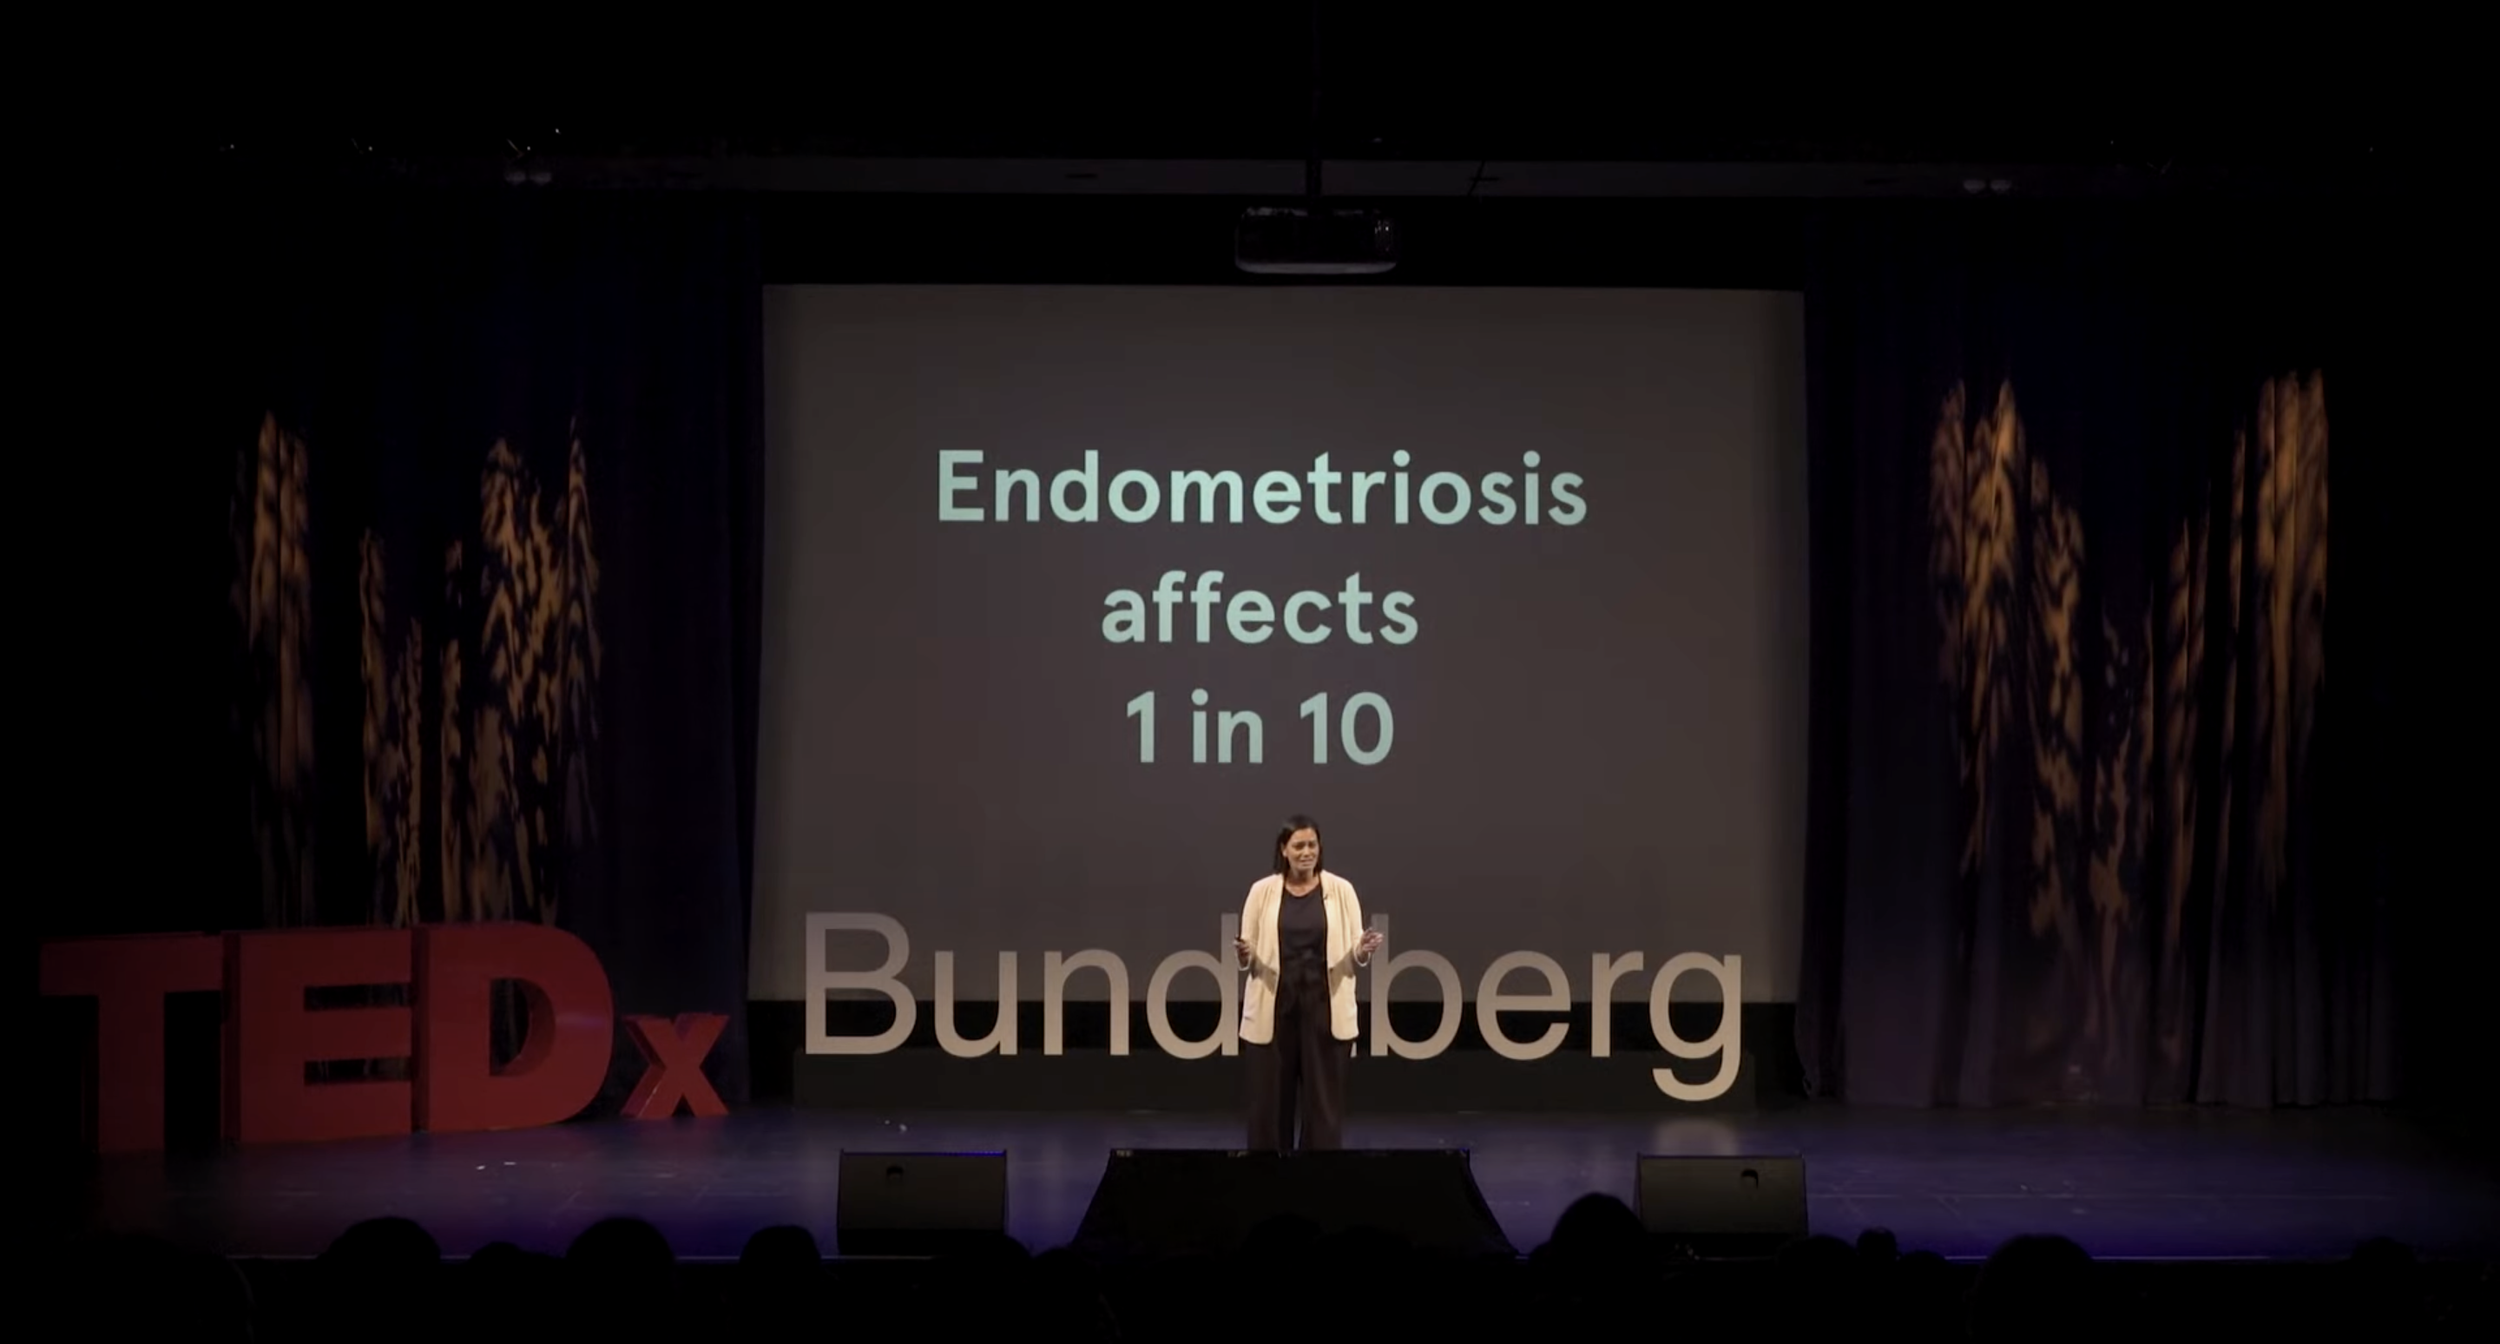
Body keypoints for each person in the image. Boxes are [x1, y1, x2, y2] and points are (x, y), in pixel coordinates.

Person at [1234, 814, 1383, 1151]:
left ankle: (1319, 1175)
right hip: (1275, 1009)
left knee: (1324, 1108)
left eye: (1312, 845)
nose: (1306, 852)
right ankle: (1269, 1173)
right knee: (1269, 1108)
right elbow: (1249, 950)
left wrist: (1363, 949)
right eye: (1298, 845)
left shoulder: (1342, 890)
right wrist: (1245, 955)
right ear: (1283, 850)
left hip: (1324, 1009)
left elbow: (1354, 950)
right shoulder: (1261, 892)